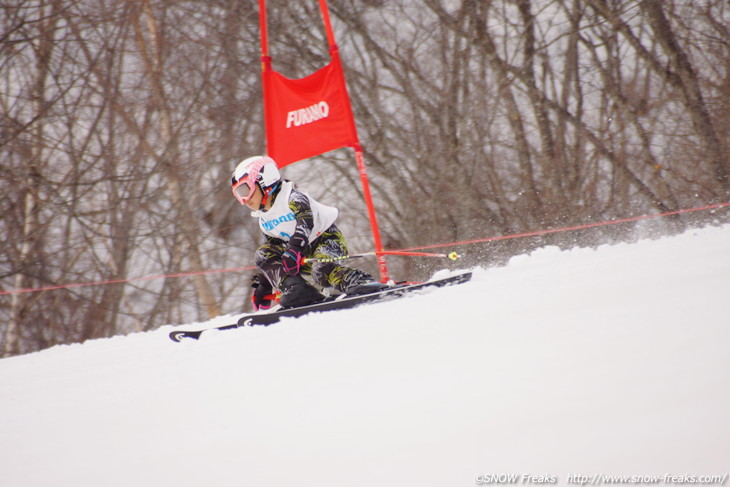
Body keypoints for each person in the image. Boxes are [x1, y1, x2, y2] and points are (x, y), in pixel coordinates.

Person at [231, 155, 387, 309]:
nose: (244, 200)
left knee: (321, 270)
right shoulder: (264, 219)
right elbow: (273, 254)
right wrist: (263, 287)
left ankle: (359, 282)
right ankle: (297, 289)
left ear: (264, 180)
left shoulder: (292, 197)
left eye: (245, 190)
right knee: (263, 253)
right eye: (238, 194)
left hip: (326, 240)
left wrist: (293, 250)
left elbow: (305, 221)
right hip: (300, 254)